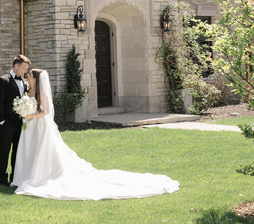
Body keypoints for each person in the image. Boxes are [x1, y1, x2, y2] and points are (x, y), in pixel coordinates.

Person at [11, 69, 179, 200]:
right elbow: (29, 106)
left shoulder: (41, 93)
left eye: (30, 74)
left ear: (36, 78)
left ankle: (40, 176)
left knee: (43, 152)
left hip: (40, 126)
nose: (28, 76)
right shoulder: (28, 91)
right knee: (30, 151)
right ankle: (25, 175)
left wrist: (29, 115)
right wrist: (24, 111)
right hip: (30, 127)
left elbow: (45, 112)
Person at [0, 54, 30, 186]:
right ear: (16, 66)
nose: (26, 71)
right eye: (24, 68)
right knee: (4, 151)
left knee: (17, 152)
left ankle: (15, 177)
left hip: (20, 123)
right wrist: (1, 121)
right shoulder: (3, 80)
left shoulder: (24, 82)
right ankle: (2, 180)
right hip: (6, 124)